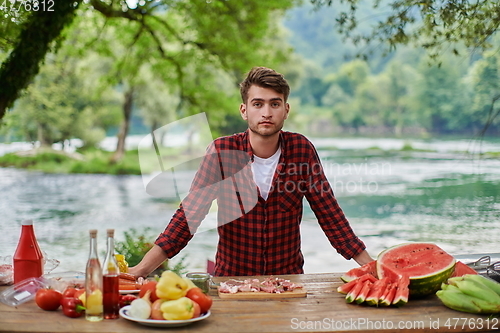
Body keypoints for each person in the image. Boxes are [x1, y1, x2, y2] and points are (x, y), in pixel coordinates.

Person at [129, 66, 373, 277]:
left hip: (288, 283)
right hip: (230, 282)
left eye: (274, 104)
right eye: (258, 104)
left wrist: (371, 266)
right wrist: (140, 270)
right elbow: (188, 218)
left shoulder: (302, 150)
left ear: (286, 110)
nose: (266, 112)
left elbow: (330, 215)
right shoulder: (221, 152)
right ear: (244, 110)